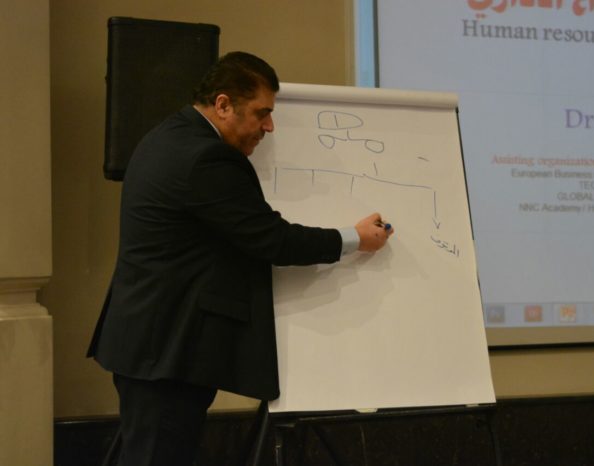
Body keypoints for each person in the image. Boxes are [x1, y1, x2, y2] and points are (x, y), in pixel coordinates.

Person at [87, 51, 394, 466]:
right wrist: (354, 238)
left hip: (149, 345)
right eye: (261, 113)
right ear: (223, 104)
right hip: (166, 353)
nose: (269, 126)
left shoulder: (169, 135)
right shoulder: (205, 158)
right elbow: (273, 240)